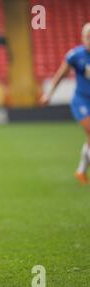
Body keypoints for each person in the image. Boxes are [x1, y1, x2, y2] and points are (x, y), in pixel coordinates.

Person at [41, 23, 90, 185]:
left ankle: (81, 171)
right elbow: (61, 74)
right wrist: (49, 94)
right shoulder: (76, 55)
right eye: (88, 37)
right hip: (81, 100)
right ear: (83, 38)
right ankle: (81, 171)